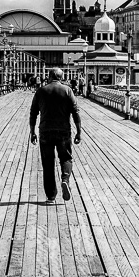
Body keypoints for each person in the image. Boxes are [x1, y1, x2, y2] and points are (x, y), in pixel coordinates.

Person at [29, 67, 82, 205]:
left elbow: (33, 112)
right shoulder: (67, 90)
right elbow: (76, 112)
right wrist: (79, 131)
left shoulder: (41, 91)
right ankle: (65, 179)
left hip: (45, 131)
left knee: (48, 164)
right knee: (66, 158)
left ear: (49, 76)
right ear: (61, 77)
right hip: (63, 131)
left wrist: (32, 132)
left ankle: (51, 197)